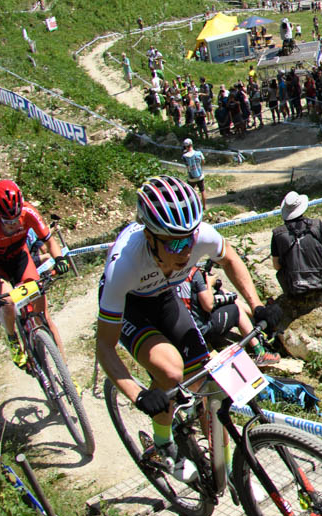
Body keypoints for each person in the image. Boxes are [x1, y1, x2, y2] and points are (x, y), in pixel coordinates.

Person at [96, 177, 269, 471]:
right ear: (150, 238)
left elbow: (229, 259)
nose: (186, 251)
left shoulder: (200, 236)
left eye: (189, 239)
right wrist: (138, 395)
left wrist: (257, 305)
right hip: (131, 305)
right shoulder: (124, 266)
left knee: (207, 381)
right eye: (175, 243)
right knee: (171, 371)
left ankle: (223, 469)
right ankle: (162, 443)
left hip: (164, 296)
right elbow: (104, 347)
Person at [0, 179, 69, 370]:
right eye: (8, 222)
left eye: (16, 219)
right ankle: (13, 338)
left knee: (44, 314)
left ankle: (65, 372)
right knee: (7, 302)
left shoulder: (29, 211)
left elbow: (50, 241)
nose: (13, 225)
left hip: (19, 258)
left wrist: (60, 259)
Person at [271, 191, 322, 302]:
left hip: (293, 287)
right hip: (320, 283)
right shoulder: (317, 225)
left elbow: (277, 266)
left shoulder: (277, 234)